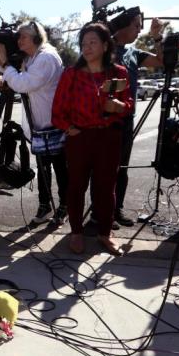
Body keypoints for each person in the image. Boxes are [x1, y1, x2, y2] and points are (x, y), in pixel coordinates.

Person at [51, 23, 133, 256]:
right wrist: (69, 128)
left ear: (106, 45)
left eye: (92, 42)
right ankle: (76, 232)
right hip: (80, 138)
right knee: (76, 185)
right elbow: (58, 110)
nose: (86, 47)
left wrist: (118, 106)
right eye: (83, 43)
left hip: (109, 137)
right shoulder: (71, 74)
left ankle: (104, 234)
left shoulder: (119, 73)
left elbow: (128, 105)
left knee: (106, 188)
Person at [0, 21, 67, 226]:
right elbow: (18, 78)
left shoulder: (45, 57)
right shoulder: (32, 57)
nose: (19, 41)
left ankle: (64, 206)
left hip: (54, 124)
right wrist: (6, 65)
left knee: (60, 169)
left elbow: (23, 83)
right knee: (43, 168)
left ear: (37, 38)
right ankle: (44, 205)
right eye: (18, 37)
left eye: (23, 37)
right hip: (41, 124)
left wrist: (6, 65)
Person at [106, 10, 165, 227]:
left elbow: (162, 61)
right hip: (104, 118)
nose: (139, 29)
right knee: (104, 168)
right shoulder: (103, 48)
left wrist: (156, 36)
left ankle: (116, 209)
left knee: (121, 167)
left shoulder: (133, 53)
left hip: (126, 117)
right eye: (136, 25)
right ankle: (100, 211)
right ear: (122, 26)